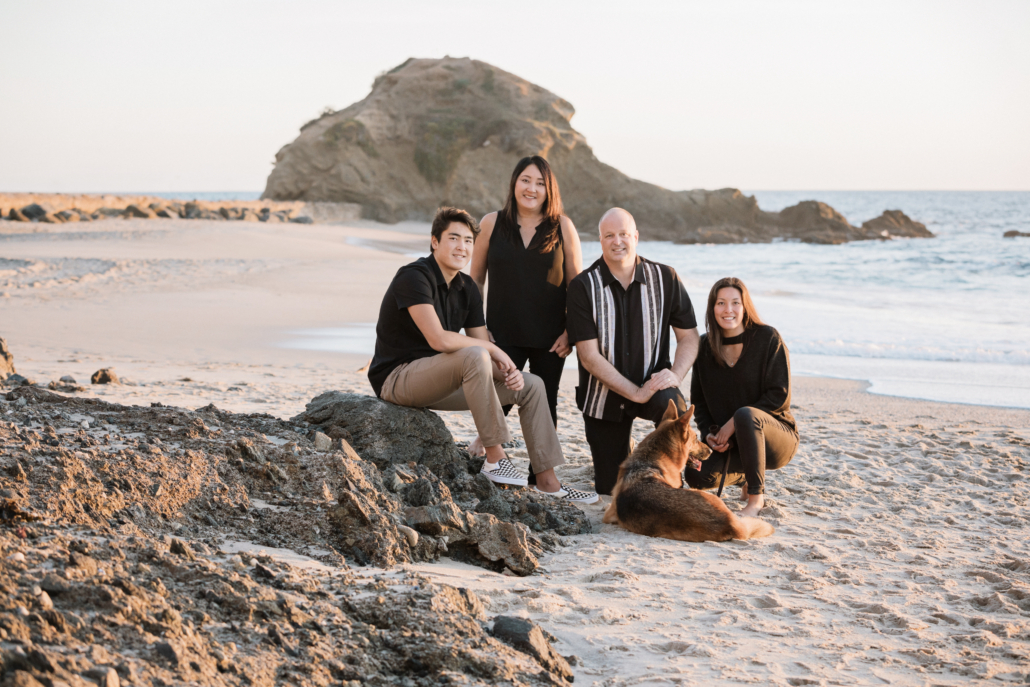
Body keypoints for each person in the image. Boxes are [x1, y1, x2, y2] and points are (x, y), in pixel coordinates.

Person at [367, 206, 597, 503]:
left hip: (441, 383)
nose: (461, 246)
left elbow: (481, 358)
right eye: (453, 238)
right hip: (398, 380)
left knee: (533, 385)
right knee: (476, 354)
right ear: (435, 241)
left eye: (467, 240)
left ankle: (547, 481)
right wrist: (491, 348)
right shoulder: (414, 277)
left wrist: (510, 372)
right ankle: (495, 457)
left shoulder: (467, 290)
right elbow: (439, 339)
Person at [566, 208, 701, 497]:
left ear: (636, 237)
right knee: (612, 488)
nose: (618, 241)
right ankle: (622, 449)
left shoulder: (665, 277)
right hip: (603, 395)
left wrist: (675, 375)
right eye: (609, 235)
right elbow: (588, 356)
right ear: (600, 241)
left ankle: (675, 477)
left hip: (654, 386)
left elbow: (689, 338)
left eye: (624, 234)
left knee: (674, 411)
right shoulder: (582, 287)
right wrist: (634, 393)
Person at [468, 156, 583, 481]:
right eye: (526, 180)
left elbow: (578, 285)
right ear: (514, 183)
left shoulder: (562, 225)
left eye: (540, 183)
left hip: (551, 337)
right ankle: (489, 451)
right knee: (498, 396)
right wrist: (478, 331)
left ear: (549, 190)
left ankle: (539, 475)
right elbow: (474, 281)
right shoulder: (491, 223)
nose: (532, 188)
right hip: (502, 334)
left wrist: (571, 332)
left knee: (545, 403)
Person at [684, 277, 798, 517]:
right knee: (695, 475)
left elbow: (780, 396)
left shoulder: (768, 339)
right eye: (721, 303)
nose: (728, 310)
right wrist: (710, 434)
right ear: (712, 308)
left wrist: (734, 422)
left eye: (735, 303)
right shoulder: (704, 347)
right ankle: (746, 475)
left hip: (775, 439)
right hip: (733, 444)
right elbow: (700, 402)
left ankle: (755, 499)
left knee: (745, 415)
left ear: (745, 307)